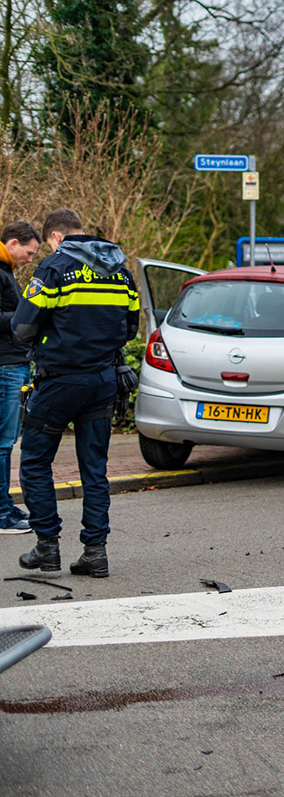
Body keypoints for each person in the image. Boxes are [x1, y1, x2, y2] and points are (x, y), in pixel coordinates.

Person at [13, 209, 139, 578]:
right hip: (102, 380)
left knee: (35, 462)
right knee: (94, 469)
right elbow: (130, 328)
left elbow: (22, 327)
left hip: (59, 381)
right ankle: (95, 553)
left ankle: (47, 547)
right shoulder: (120, 269)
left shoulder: (54, 268)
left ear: (54, 237)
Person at [0, 221, 41, 534]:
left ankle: (5, 504)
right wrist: (25, 314)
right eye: (29, 252)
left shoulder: (5, 270)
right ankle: (2, 514)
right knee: (3, 443)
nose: (30, 258)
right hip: (6, 365)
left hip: (11, 363)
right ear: (13, 243)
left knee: (6, 441)